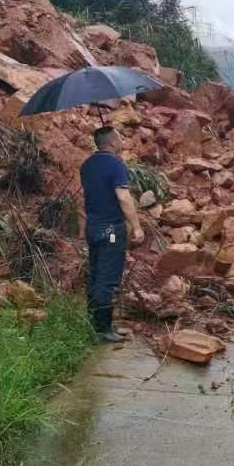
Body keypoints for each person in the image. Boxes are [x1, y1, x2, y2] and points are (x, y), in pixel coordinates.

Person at [80, 127, 144, 342]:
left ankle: (93, 322)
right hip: (112, 231)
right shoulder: (116, 165)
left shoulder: (86, 166)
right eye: (120, 137)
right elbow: (124, 198)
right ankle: (103, 330)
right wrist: (136, 226)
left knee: (96, 274)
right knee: (107, 278)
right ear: (112, 142)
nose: (122, 140)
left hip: (93, 228)